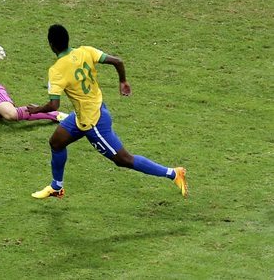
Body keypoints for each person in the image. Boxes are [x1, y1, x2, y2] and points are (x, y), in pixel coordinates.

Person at [28, 24, 188, 199]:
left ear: (51, 44)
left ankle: (173, 173)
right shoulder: (85, 51)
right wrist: (123, 81)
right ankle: (56, 187)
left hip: (93, 122)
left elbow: (53, 106)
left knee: (124, 160)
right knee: (56, 143)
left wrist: (35, 110)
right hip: (89, 112)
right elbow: (118, 61)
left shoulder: (57, 70)